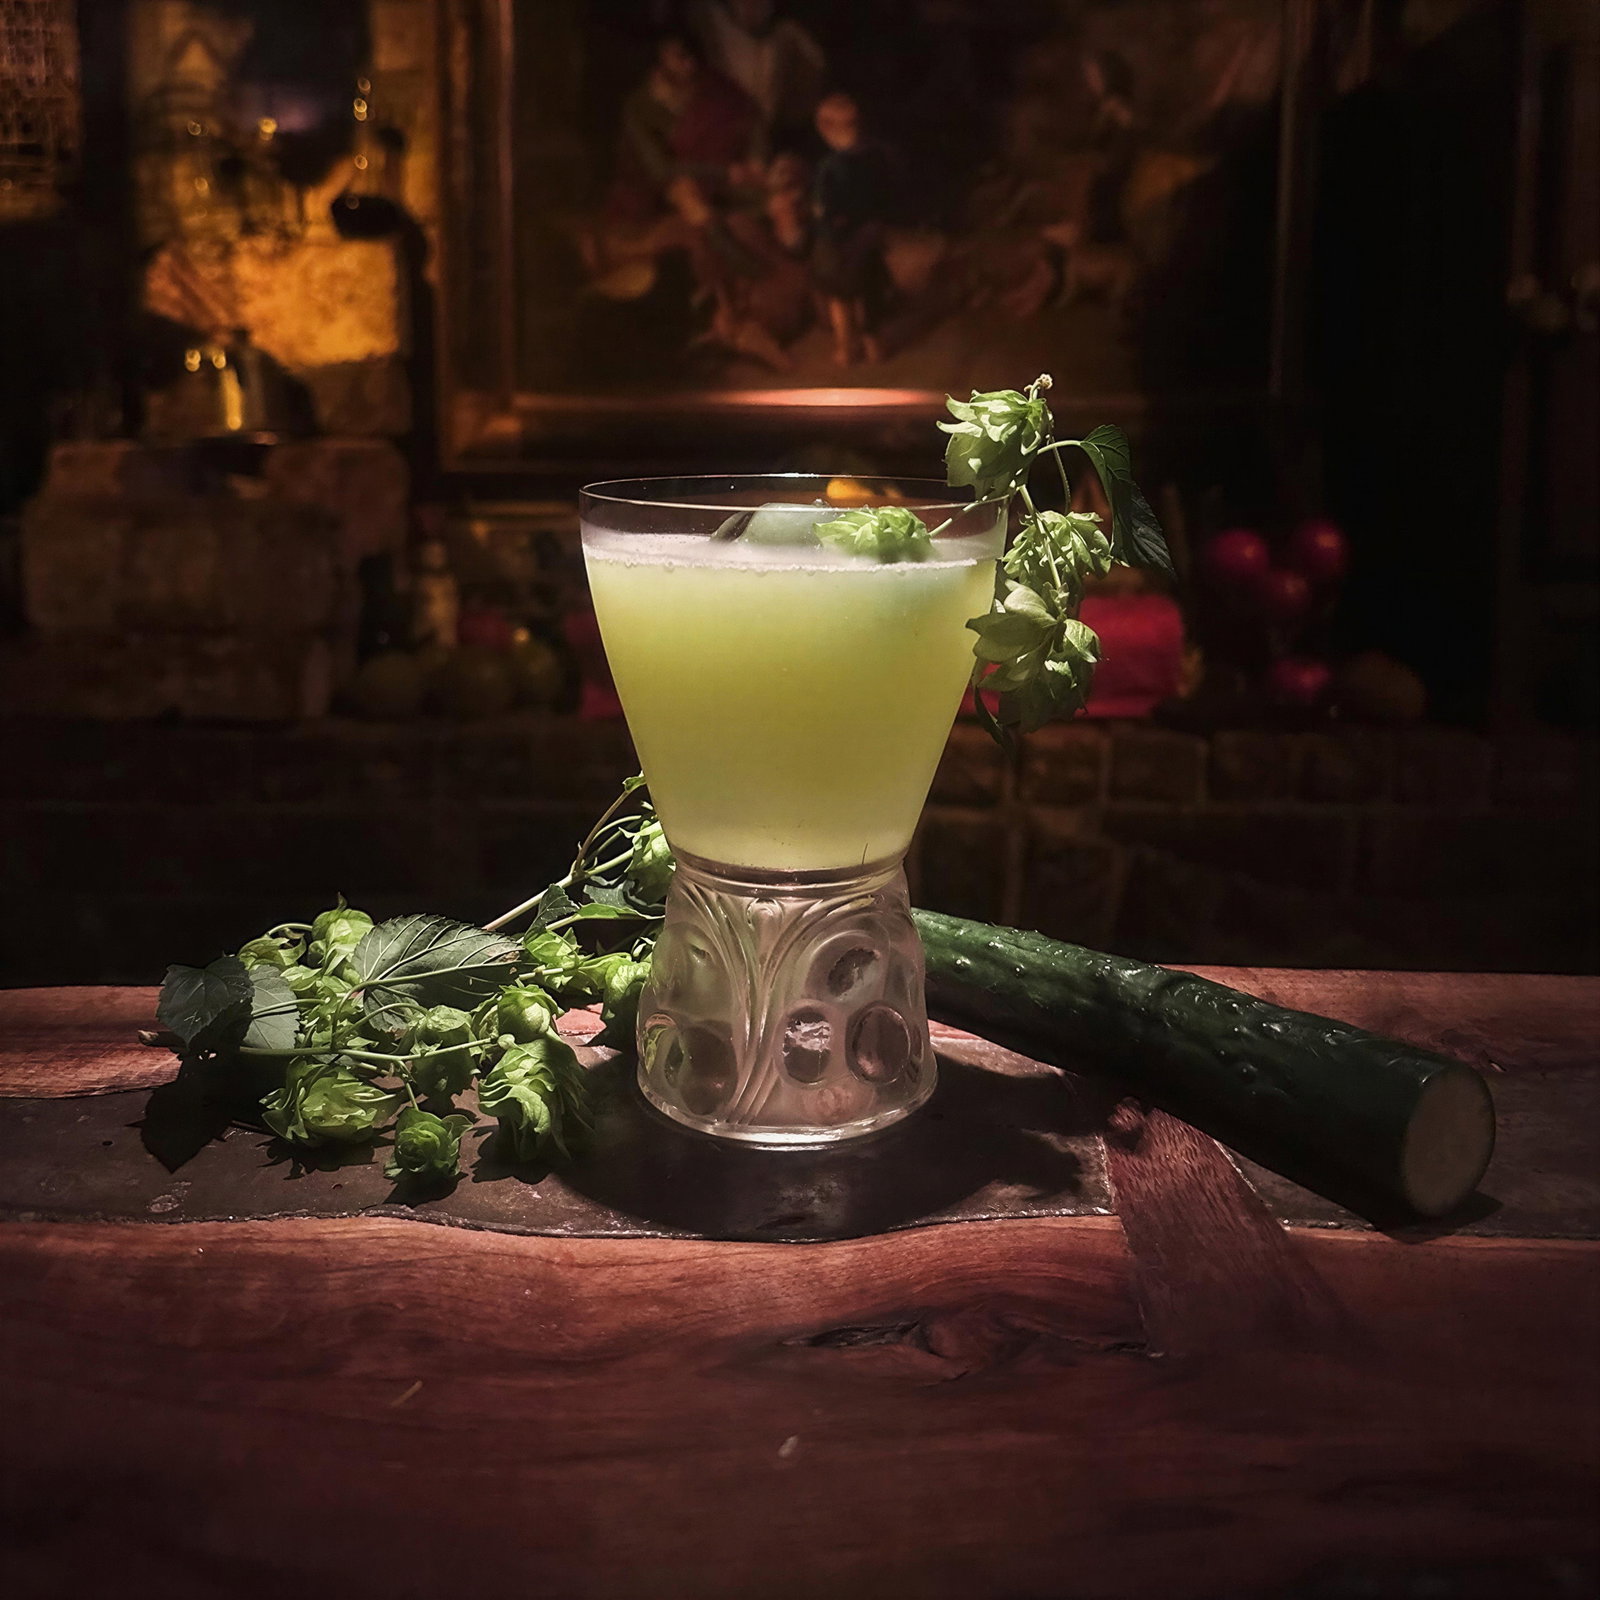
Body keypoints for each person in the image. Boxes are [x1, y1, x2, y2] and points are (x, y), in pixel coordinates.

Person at [810, 92, 893, 366]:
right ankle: (861, 345)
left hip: (849, 238)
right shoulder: (875, 156)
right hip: (859, 236)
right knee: (859, 291)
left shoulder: (834, 167)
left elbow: (824, 207)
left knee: (849, 293)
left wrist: (825, 227)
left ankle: (855, 346)